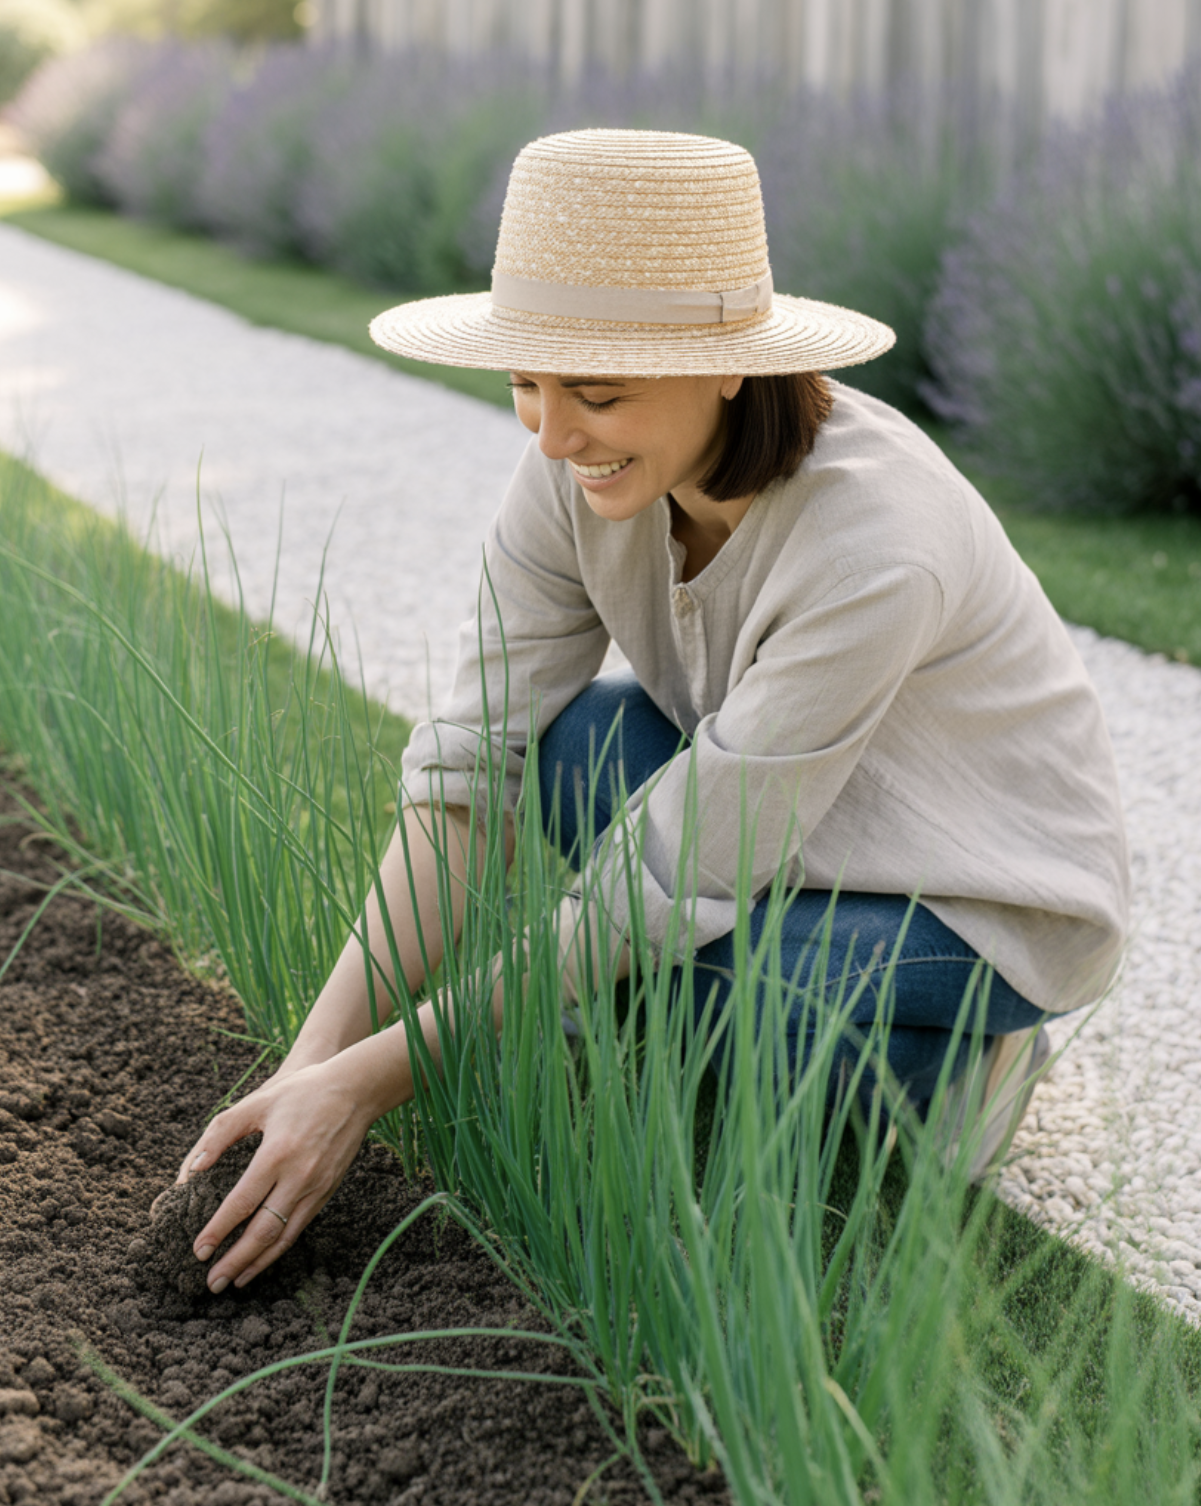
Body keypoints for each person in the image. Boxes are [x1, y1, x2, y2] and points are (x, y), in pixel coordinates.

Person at [172, 129, 1130, 1296]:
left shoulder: (876, 545)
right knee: (568, 751)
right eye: (524, 382)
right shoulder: (574, 473)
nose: (551, 434)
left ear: (731, 364)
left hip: (972, 890)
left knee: (720, 1023)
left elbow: (664, 877)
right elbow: (469, 769)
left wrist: (378, 1080)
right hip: (776, 825)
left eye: (598, 390)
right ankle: (690, 1014)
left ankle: (972, 1070)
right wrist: (307, 1072)